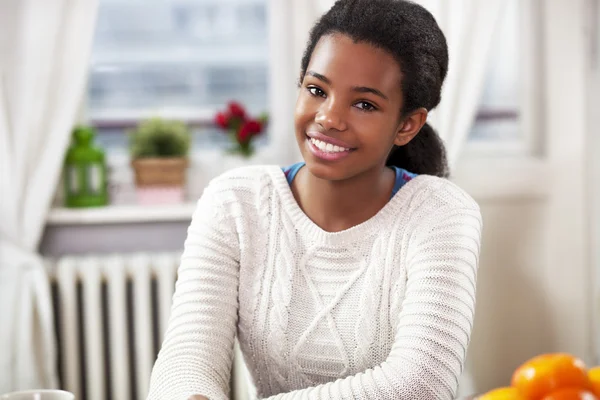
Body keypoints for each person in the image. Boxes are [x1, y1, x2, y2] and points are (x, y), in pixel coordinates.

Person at [147, 0, 482, 399]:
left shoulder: (441, 213)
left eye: (364, 104)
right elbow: (187, 360)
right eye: (316, 89)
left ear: (407, 125)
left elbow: (420, 385)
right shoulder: (234, 203)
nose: (328, 117)